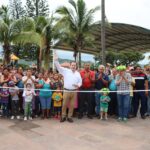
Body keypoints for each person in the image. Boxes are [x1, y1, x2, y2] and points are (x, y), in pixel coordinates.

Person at [54, 51, 82, 123]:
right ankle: (63, 116)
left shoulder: (78, 73)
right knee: (64, 104)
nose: (73, 66)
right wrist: (56, 60)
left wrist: (78, 85)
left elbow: (80, 82)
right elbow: (58, 67)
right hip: (66, 90)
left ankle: (69, 117)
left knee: (72, 105)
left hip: (74, 91)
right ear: (70, 66)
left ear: (76, 66)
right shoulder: (65, 71)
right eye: (72, 65)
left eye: (74, 65)